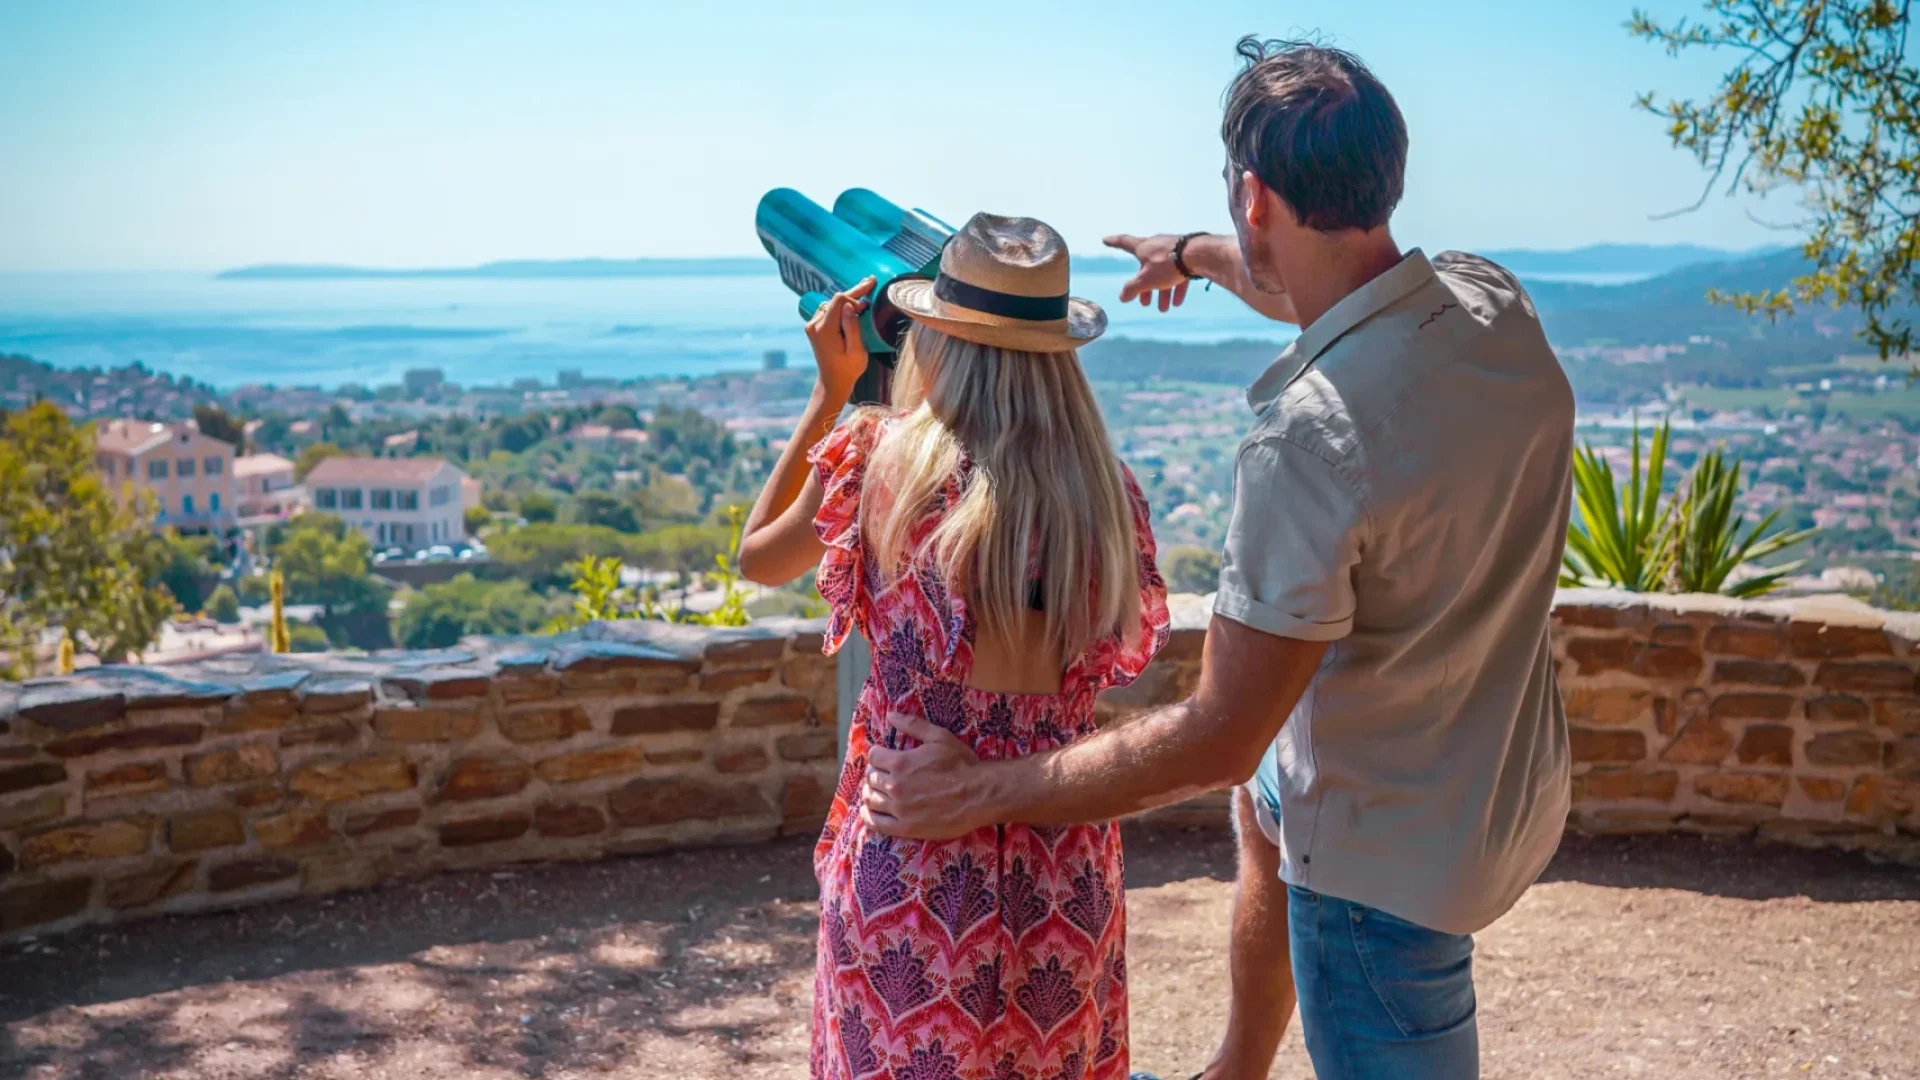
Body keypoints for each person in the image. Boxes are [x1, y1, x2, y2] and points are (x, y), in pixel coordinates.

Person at [861, 37, 1576, 1080]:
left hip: (1386, 865)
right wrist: (1195, 252)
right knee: (1268, 807)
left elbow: (1216, 738)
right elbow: (1321, 286)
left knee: (1279, 815)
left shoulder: (1312, 437)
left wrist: (977, 789)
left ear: (1255, 194)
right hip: (1499, 774)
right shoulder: (1485, 300)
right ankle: (1236, 1070)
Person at [737, 212, 1171, 1080]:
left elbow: (757, 559)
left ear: (939, 336)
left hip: (917, 853)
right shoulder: (1105, 493)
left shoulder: (877, 458)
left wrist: (834, 390)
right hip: (1063, 856)